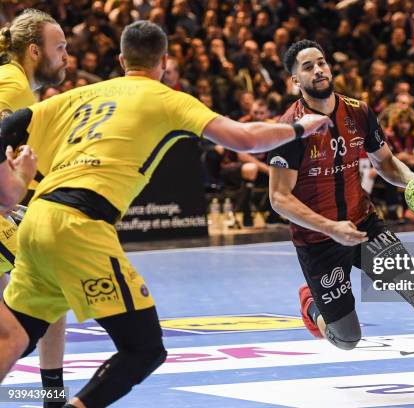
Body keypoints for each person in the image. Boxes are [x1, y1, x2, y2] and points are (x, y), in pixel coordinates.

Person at [0, 21, 330, 408]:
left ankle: (53, 397)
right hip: (78, 224)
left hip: (35, 220)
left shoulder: (82, 94)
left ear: (122, 60)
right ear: (165, 62)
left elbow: (10, 124)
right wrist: (298, 127)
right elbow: (245, 138)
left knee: (13, 339)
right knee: (144, 350)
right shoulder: (168, 97)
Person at [268, 40, 414, 395]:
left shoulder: (358, 111)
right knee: (346, 339)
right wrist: (330, 227)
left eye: (322, 62)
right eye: (308, 67)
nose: (319, 70)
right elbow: (279, 198)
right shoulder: (289, 129)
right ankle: (312, 305)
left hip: (364, 225)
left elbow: (386, 163)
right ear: (295, 80)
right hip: (319, 240)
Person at [0, 9, 69, 407]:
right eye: (59, 47)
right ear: (33, 50)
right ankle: (53, 398)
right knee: (51, 284)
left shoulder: (17, 85)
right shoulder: (11, 86)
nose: (65, 56)